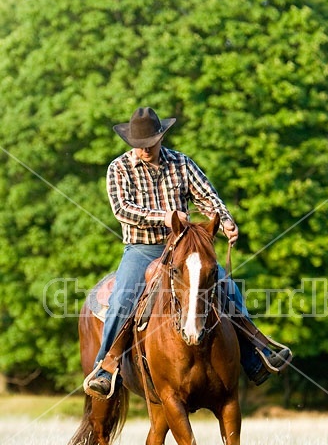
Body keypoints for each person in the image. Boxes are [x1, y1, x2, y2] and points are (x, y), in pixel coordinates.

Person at [86, 107, 291, 399]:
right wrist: (167, 216)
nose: (144, 150)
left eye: (149, 143)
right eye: (138, 145)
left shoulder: (181, 163)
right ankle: (106, 367)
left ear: (160, 137)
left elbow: (208, 197)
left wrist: (227, 222)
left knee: (226, 288)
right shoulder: (118, 169)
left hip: (184, 246)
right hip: (143, 249)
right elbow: (122, 209)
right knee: (122, 299)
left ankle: (254, 356)